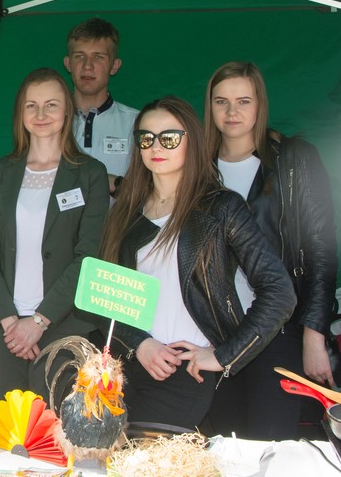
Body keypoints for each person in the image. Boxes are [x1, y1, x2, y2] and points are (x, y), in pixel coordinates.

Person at [100, 96, 296, 428]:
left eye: (169, 138)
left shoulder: (222, 207)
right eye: (146, 138)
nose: (156, 146)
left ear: (191, 140)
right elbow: (106, 297)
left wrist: (223, 356)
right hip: (131, 367)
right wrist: (140, 343)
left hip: (185, 371)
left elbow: (279, 291)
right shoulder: (127, 213)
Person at [203, 61, 338, 440]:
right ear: (209, 106)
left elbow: (321, 252)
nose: (232, 112)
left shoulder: (293, 159)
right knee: (225, 448)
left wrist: (313, 335)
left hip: (279, 331)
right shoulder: (197, 167)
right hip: (216, 333)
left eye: (243, 101)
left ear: (260, 104)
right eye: (221, 101)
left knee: (271, 447)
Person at [0, 68, 110, 401]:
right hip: (3, 330)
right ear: (20, 114)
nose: (41, 114)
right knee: (3, 425)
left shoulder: (90, 174)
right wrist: (11, 323)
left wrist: (38, 322)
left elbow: (88, 256)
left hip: (65, 325)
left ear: (67, 111)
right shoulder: (0, 172)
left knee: (61, 425)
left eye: (51, 105)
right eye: (31, 105)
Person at [62, 18, 138, 197]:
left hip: (118, 217)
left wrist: (117, 185)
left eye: (98, 57)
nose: (88, 66)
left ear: (114, 66)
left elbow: (153, 188)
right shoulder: (48, 122)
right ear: (68, 64)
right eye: (79, 56)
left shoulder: (137, 122)